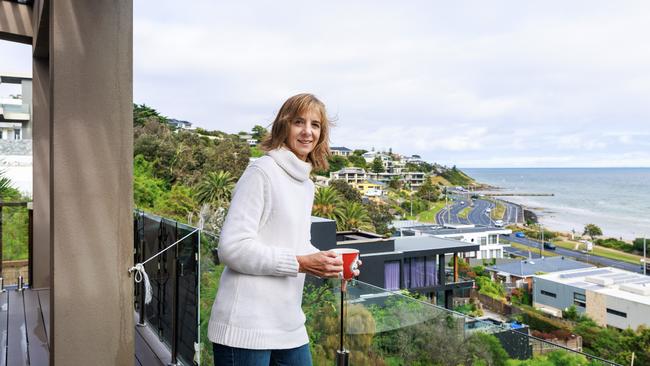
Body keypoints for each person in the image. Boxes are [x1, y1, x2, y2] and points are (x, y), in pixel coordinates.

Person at [208, 93, 355, 366]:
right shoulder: (261, 172)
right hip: (245, 328)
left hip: (288, 324)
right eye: (299, 122)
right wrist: (300, 263)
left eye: (316, 124)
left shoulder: (306, 185)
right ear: (283, 126)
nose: (307, 131)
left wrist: (330, 262)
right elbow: (231, 248)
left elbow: (298, 243)